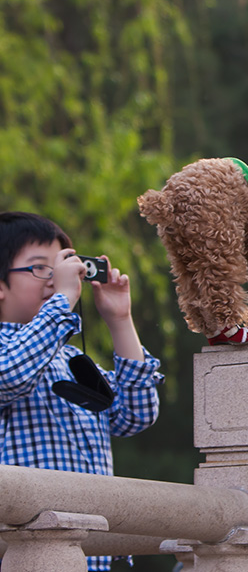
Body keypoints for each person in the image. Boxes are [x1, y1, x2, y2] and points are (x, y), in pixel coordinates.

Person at [0, 211, 164, 572]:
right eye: (40, 268)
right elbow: (11, 375)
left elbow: (136, 415)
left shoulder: (70, 358)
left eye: (60, 267)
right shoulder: (9, 353)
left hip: (88, 555)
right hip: (23, 555)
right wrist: (63, 299)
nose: (55, 279)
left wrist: (119, 320)